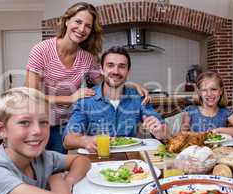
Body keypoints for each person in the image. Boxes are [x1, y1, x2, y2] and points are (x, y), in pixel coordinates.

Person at [25, 2, 149, 154]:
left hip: (62, 123)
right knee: (31, 168)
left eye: (88, 26)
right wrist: (70, 98)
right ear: (66, 21)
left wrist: (132, 85)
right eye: (78, 22)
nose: (82, 29)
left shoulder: (86, 58)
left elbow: (106, 82)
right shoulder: (42, 50)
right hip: (35, 120)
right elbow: (31, 96)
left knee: (55, 169)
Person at [0, 87, 91, 194]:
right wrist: (56, 177)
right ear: (2, 130)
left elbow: (82, 160)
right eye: (24, 122)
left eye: (43, 122)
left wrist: (68, 181)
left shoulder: (42, 157)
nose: (37, 130)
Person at [63, 46, 170, 152]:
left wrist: (161, 132)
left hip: (131, 161)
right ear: (101, 69)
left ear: (128, 71)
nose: (116, 71)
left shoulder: (138, 98)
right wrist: (85, 141)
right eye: (110, 65)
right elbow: (68, 140)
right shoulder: (86, 100)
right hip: (98, 159)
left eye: (122, 66)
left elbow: (163, 129)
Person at [181, 71, 233, 136]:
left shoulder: (225, 112)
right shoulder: (190, 111)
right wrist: (205, 135)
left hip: (219, 146)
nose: (209, 94)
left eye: (213, 89)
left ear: (221, 91)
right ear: (199, 92)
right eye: (204, 90)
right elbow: (183, 133)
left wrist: (220, 130)